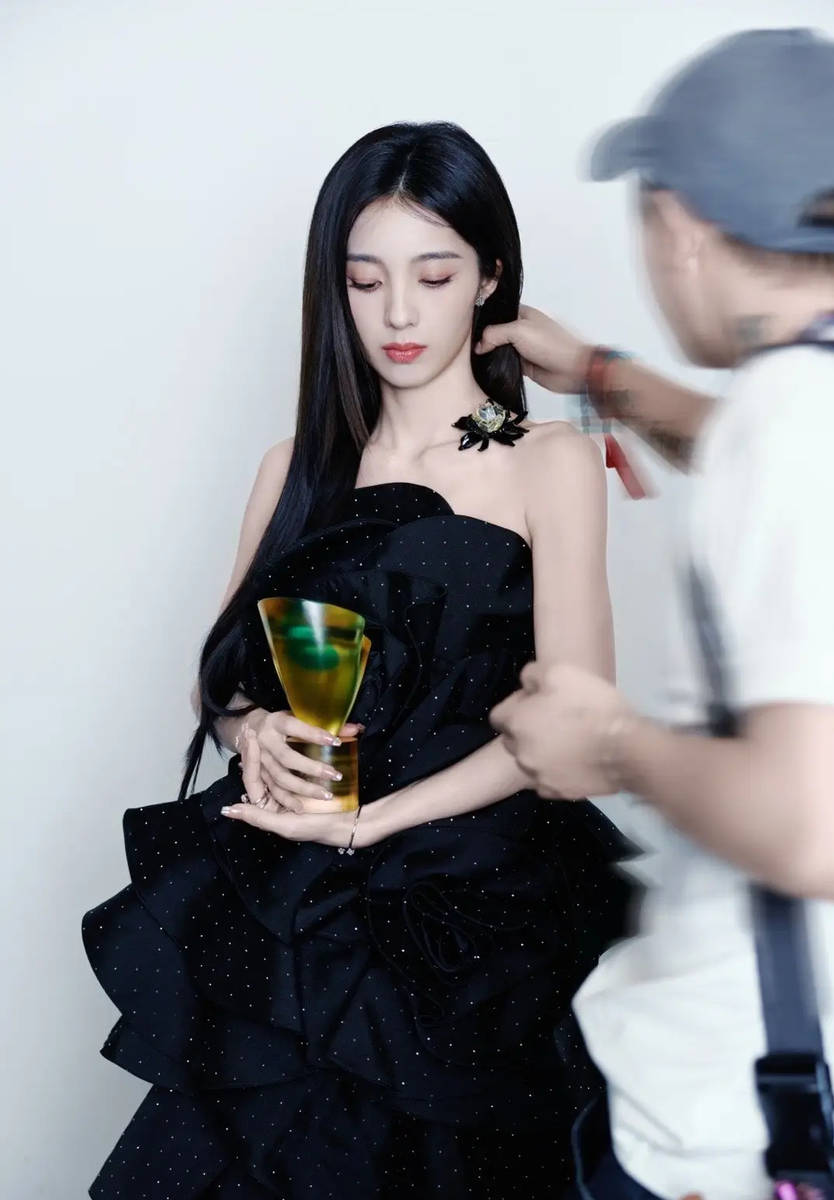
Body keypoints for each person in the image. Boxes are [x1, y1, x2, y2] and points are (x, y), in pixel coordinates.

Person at [82, 121, 631, 1200]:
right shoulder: (298, 465)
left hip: (472, 906)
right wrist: (251, 731)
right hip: (295, 889)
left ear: (490, 279)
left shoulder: (545, 459)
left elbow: (577, 722)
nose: (398, 314)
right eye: (365, 280)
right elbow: (223, 671)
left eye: (434, 276)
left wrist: (369, 824)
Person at [489, 28, 834, 1200]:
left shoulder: (787, 430)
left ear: (678, 226)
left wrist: (609, 745)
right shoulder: (800, 414)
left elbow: (813, 827)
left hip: (739, 1126)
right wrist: (602, 375)